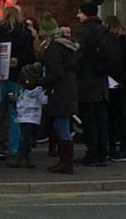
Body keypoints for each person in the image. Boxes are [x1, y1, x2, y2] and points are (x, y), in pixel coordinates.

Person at [37, 13, 79, 174]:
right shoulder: (67, 47)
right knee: (61, 124)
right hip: (68, 89)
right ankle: (65, 160)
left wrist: (40, 81)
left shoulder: (54, 50)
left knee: (61, 125)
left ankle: (65, 162)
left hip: (60, 91)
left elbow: (55, 73)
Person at [74, 3, 110, 167]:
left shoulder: (84, 31)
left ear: (86, 14)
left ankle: (92, 154)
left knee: (88, 121)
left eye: (80, 12)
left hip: (86, 82)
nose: (77, 16)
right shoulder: (104, 30)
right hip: (102, 81)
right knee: (101, 120)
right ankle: (103, 153)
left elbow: (79, 55)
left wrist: (73, 67)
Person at [0, 7, 35, 166]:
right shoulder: (25, 34)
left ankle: (2, 146)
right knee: (17, 114)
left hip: (0, 76)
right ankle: (19, 149)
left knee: (0, 113)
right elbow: (31, 57)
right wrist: (19, 61)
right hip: (18, 78)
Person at [105, 15, 126, 162]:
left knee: (112, 117)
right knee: (120, 117)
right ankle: (122, 148)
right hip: (123, 85)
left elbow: (114, 63)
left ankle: (113, 147)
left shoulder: (114, 43)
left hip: (114, 84)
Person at [9, 62, 46, 168]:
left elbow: (43, 101)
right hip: (22, 116)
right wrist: (15, 99)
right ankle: (28, 158)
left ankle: (19, 157)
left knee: (24, 138)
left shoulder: (37, 91)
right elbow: (21, 102)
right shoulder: (23, 89)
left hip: (31, 117)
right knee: (26, 138)